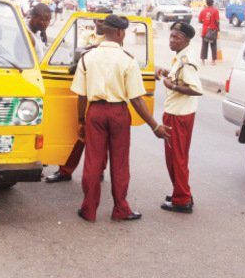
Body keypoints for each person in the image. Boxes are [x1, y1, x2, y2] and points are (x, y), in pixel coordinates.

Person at [70, 14, 170, 222]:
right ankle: (121, 209)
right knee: (120, 162)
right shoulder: (127, 60)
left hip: (95, 112)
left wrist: (81, 120)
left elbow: (81, 95)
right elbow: (136, 99)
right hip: (118, 114)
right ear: (118, 33)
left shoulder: (88, 58)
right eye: (124, 32)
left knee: (93, 162)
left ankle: (88, 210)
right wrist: (154, 126)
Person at [45, 8, 113, 184]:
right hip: (84, 88)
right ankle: (65, 170)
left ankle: (99, 171)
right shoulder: (86, 35)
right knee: (76, 135)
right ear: (94, 22)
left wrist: (92, 50)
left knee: (101, 139)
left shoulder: (112, 40)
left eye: (104, 21)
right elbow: (77, 53)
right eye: (98, 20)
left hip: (102, 93)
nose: (101, 24)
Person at [156, 22, 202, 214]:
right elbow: (179, 76)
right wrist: (168, 73)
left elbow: (195, 89)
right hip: (177, 112)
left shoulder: (185, 61)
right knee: (175, 157)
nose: (172, 41)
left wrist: (171, 86)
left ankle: (182, 199)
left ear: (187, 40)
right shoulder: (180, 58)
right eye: (171, 36)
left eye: (177, 38)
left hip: (178, 115)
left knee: (177, 158)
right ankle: (180, 191)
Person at [198, 0, 220, 65]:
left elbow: (200, 21)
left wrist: (205, 22)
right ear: (213, 3)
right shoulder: (215, 11)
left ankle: (202, 61)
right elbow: (217, 21)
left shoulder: (203, 11)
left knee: (204, 45)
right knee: (213, 45)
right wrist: (218, 28)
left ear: (206, 3)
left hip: (205, 31)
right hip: (213, 31)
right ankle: (213, 61)